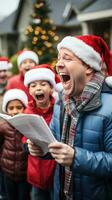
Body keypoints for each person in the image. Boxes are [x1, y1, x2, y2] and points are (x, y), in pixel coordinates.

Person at [27, 35, 112, 200]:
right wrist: (42, 149)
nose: (58, 64)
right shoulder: (61, 101)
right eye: (58, 58)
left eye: (67, 58)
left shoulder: (110, 107)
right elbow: (54, 143)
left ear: (88, 66)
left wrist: (76, 158)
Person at [23, 64, 57, 200]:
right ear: (30, 91)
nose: (38, 88)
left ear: (51, 88)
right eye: (33, 85)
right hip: (36, 171)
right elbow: (24, 138)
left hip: (55, 172)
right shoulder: (27, 112)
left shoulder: (59, 110)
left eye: (43, 84)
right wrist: (27, 146)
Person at [0, 89, 31, 200]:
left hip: (24, 174)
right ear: (6, 110)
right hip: (7, 172)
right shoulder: (3, 127)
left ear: (24, 108)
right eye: (11, 108)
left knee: (24, 196)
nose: (15, 111)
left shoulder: (28, 127)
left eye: (19, 107)